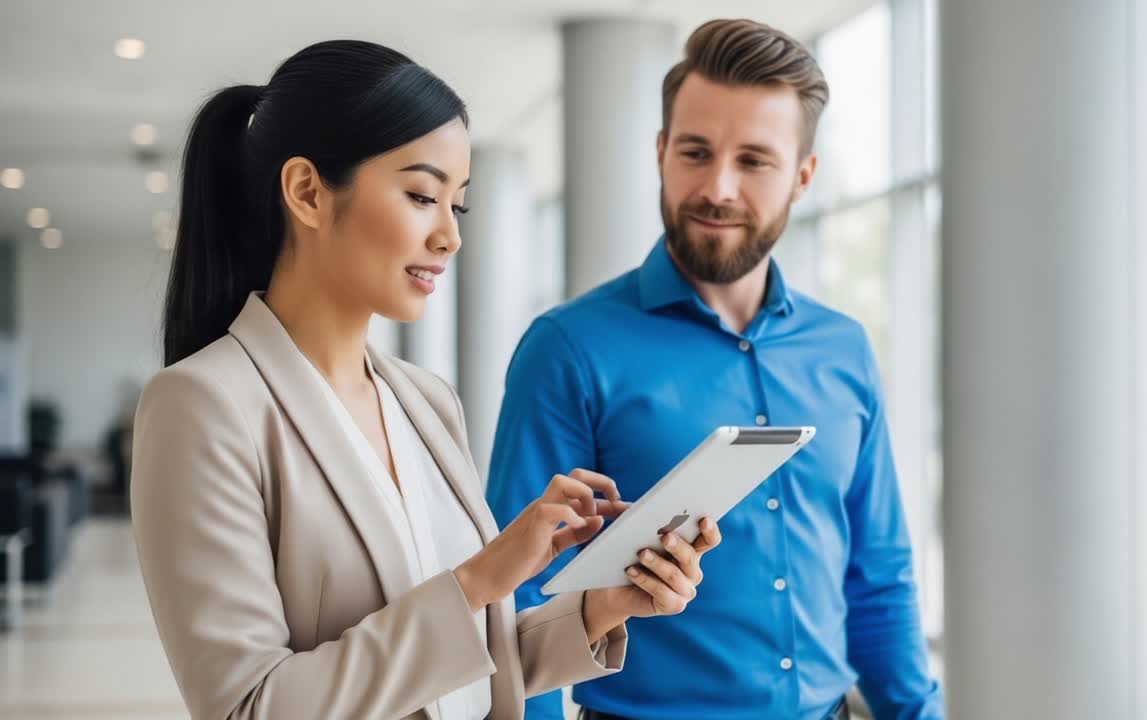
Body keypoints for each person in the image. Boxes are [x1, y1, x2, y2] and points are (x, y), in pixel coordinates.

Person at [129, 40, 721, 720]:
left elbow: (457, 672)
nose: (450, 236)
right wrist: (480, 578)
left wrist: (602, 605)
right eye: (421, 195)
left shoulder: (425, 401)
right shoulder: (202, 406)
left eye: (458, 206)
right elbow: (250, 706)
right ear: (307, 193)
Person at [487, 19, 943, 720]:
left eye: (754, 160)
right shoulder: (568, 350)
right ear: (662, 153)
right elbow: (517, 591)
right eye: (695, 152)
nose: (718, 188)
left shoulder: (844, 349)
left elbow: (878, 578)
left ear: (803, 176)